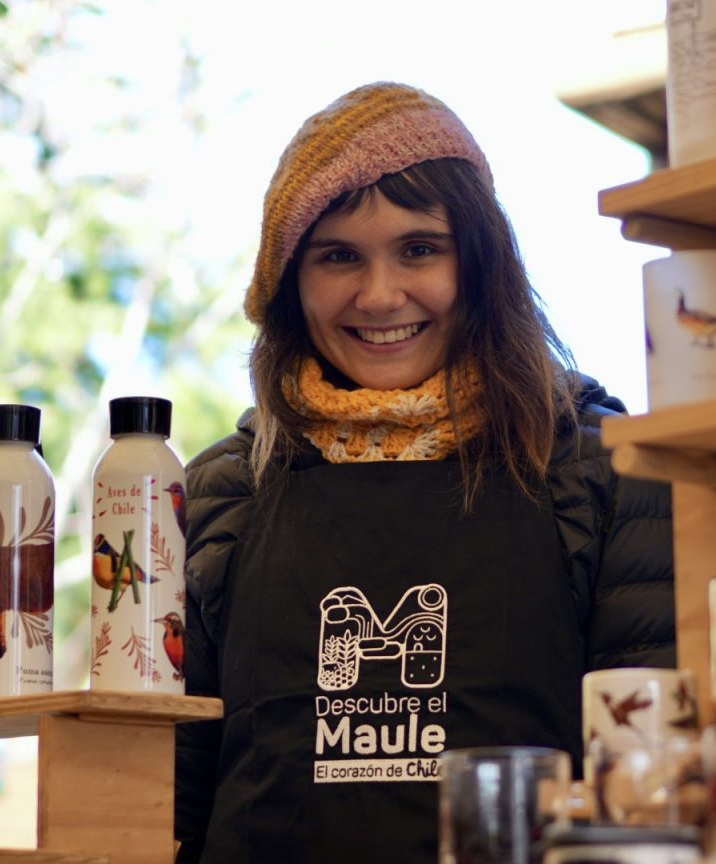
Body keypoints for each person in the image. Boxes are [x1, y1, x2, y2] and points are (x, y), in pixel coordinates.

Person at [175, 81, 675, 863]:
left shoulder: (604, 470)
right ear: (287, 283)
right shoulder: (221, 493)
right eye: (338, 256)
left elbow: (647, 791)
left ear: (480, 263)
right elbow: (165, 806)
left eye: (419, 249)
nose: (380, 296)